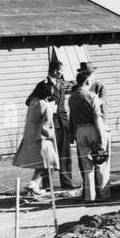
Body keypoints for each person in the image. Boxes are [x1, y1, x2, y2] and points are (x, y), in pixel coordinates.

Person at [70, 62, 111, 202]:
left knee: (88, 165)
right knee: (101, 162)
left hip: (80, 129)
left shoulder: (73, 95)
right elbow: (97, 116)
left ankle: (90, 196)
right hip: (94, 127)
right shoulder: (91, 95)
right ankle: (104, 194)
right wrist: (101, 136)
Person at [14, 79, 59, 195]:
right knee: (51, 162)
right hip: (42, 137)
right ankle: (34, 183)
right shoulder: (45, 104)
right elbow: (47, 123)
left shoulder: (33, 102)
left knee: (43, 163)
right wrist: (49, 134)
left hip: (30, 135)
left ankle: (35, 185)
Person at [46, 59, 74, 189]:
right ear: (55, 71)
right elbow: (30, 101)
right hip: (52, 124)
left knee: (65, 154)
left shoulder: (60, 83)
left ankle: (67, 183)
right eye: (61, 70)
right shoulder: (44, 85)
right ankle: (47, 185)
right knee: (50, 155)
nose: (62, 73)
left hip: (63, 123)